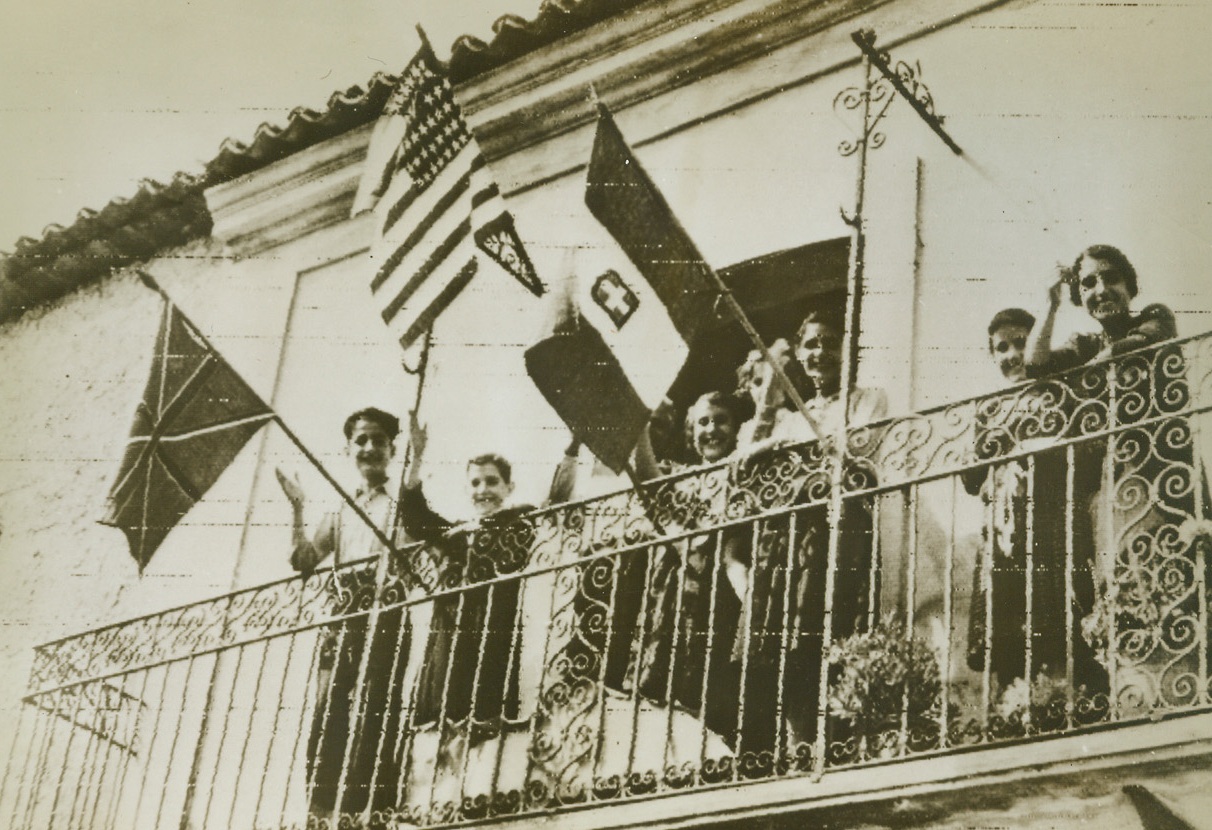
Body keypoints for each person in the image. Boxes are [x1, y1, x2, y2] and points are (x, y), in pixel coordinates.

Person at [1025, 245, 1207, 710]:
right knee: (1123, 584)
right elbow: (1036, 365)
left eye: (1110, 279)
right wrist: (1050, 305)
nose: (1101, 290)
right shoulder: (1087, 343)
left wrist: (1080, 376)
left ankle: (1182, 689)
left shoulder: (1155, 316)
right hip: (1114, 486)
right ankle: (1137, 693)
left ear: (1129, 285)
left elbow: (1133, 348)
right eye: (1087, 284)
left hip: (1163, 479)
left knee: (1173, 574)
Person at [727, 307, 888, 765]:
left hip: (835, 532)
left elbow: (858, 452)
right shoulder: (789, 412)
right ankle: (796, 751)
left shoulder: (867, 398)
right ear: (799, 354)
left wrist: (779, 449)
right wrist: (771, 407)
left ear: (847, 350)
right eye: (811, 344)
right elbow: (744, 471)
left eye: (829, 342)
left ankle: (830, 750)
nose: (820, 352)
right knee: (781, 649)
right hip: (783, 540)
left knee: (822, 640)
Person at [962, 310, 1105, 715]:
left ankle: (1071, 707)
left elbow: (1090, 460)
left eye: (1020, 341)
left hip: (1055, 526)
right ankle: (1014, 712)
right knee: (1006, 628)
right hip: (1006, 535)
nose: (1011, 354)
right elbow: (972, 479)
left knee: (1060, 617)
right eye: (1001, 348)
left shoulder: (1060, 393)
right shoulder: (989, 409)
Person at [275, 406, 413, 817]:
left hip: (385, 613)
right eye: (361, 441)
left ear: (391, 449)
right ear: (349, 449)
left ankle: (365, 810)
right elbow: (303, 560)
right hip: (341, 619)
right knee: (328, 711)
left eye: (378, 441)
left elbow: (411, 551)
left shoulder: (402, 502)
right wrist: (298, 507)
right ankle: (319, 810)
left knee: (375, 710)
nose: (369, 448)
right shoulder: (340, 509)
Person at [627, 392, 747, 745]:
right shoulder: (682, 477)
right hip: (672, 596)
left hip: (721, 594)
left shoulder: (744, 466)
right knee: (661, 691)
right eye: (703, 422)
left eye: (721, 420)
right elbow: (649, 483)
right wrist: (636, 428)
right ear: (691, 433)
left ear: (738, 428)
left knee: (712, 690)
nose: (712, 429)